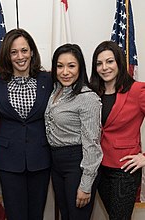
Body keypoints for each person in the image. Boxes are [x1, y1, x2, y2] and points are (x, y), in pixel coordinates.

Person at [0, 28, 53, 220]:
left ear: (32, 51)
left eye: (24, 50)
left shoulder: (48, 80)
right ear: (7, 55)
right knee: (15, 214)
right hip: (9, 159)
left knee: (36, 214)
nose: (20, 56)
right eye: (14, 52)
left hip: (40, 157)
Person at [45, 43, 103, 220]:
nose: (65, 72)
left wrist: (86, 185)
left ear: (80, 68)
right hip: (57, 163)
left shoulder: (88, 98)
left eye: (71, 66)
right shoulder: (56, 91)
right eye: (60, 66)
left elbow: (92, 144)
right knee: (65, 214)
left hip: (77, 163)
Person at [90, 40, 145, 220]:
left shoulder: (137, 90)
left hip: (125, 170)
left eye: (110, 61)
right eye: (99, 63)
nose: (104, 67)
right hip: (99, 168)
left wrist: (144, 157)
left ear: (119, 62)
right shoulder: (93, 92)